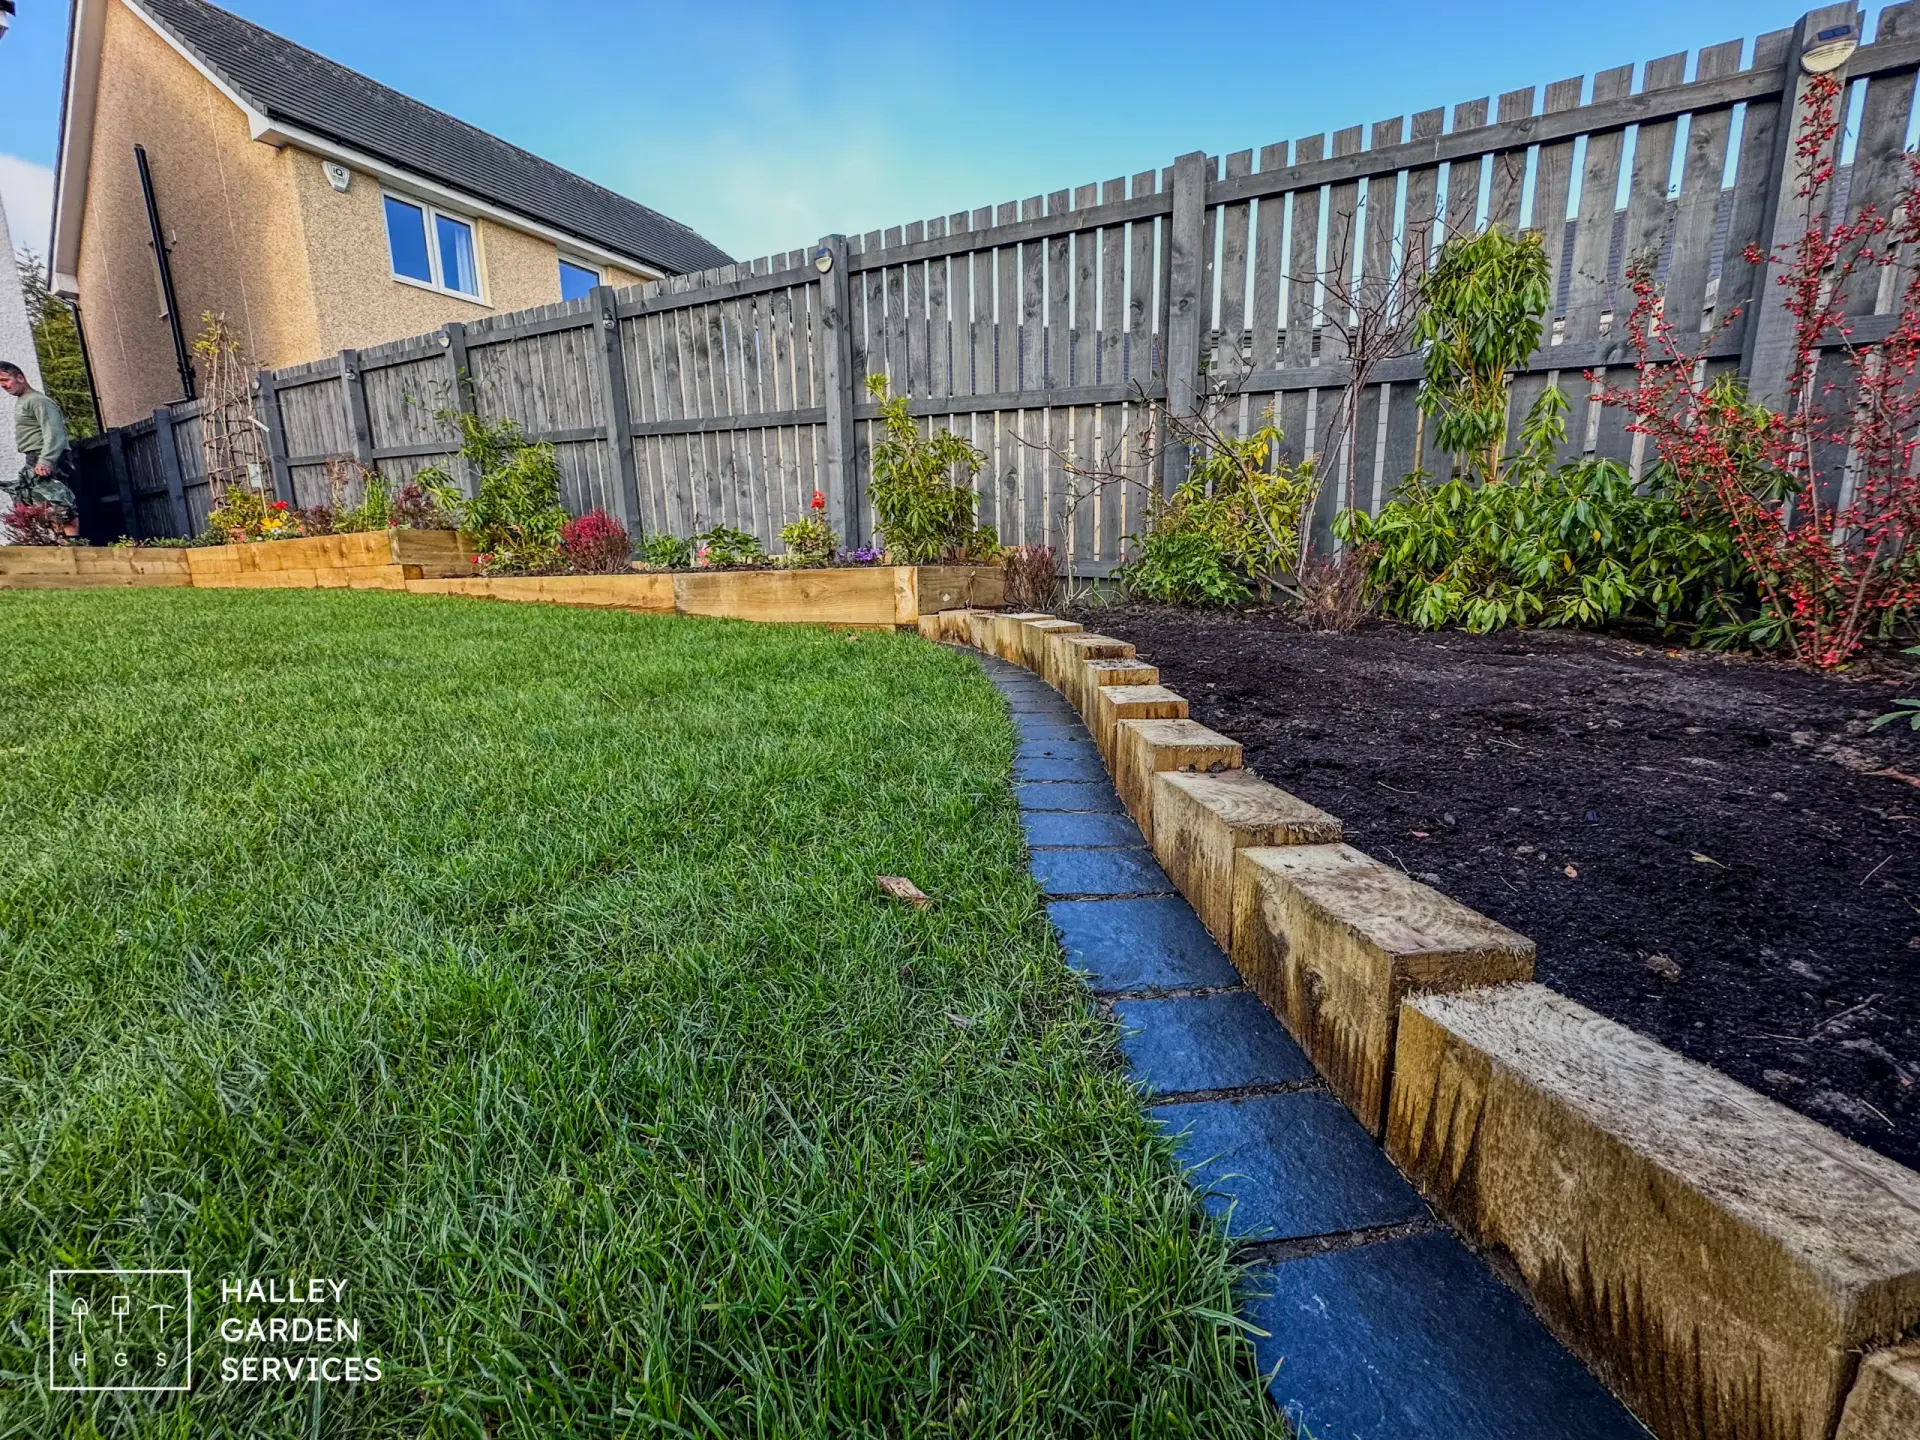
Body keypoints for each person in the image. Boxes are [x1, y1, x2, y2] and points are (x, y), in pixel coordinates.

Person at [1, 360, 79, 537]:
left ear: (20, 377)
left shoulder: (37, 400)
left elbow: (54, 431)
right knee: (46, 505)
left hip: (44, 455)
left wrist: (46, 460)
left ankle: (74, 545)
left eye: (5, 380)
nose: (3, 386)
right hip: (34, 456)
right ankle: (62, 545)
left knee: (61, 503)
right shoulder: (24, 400)